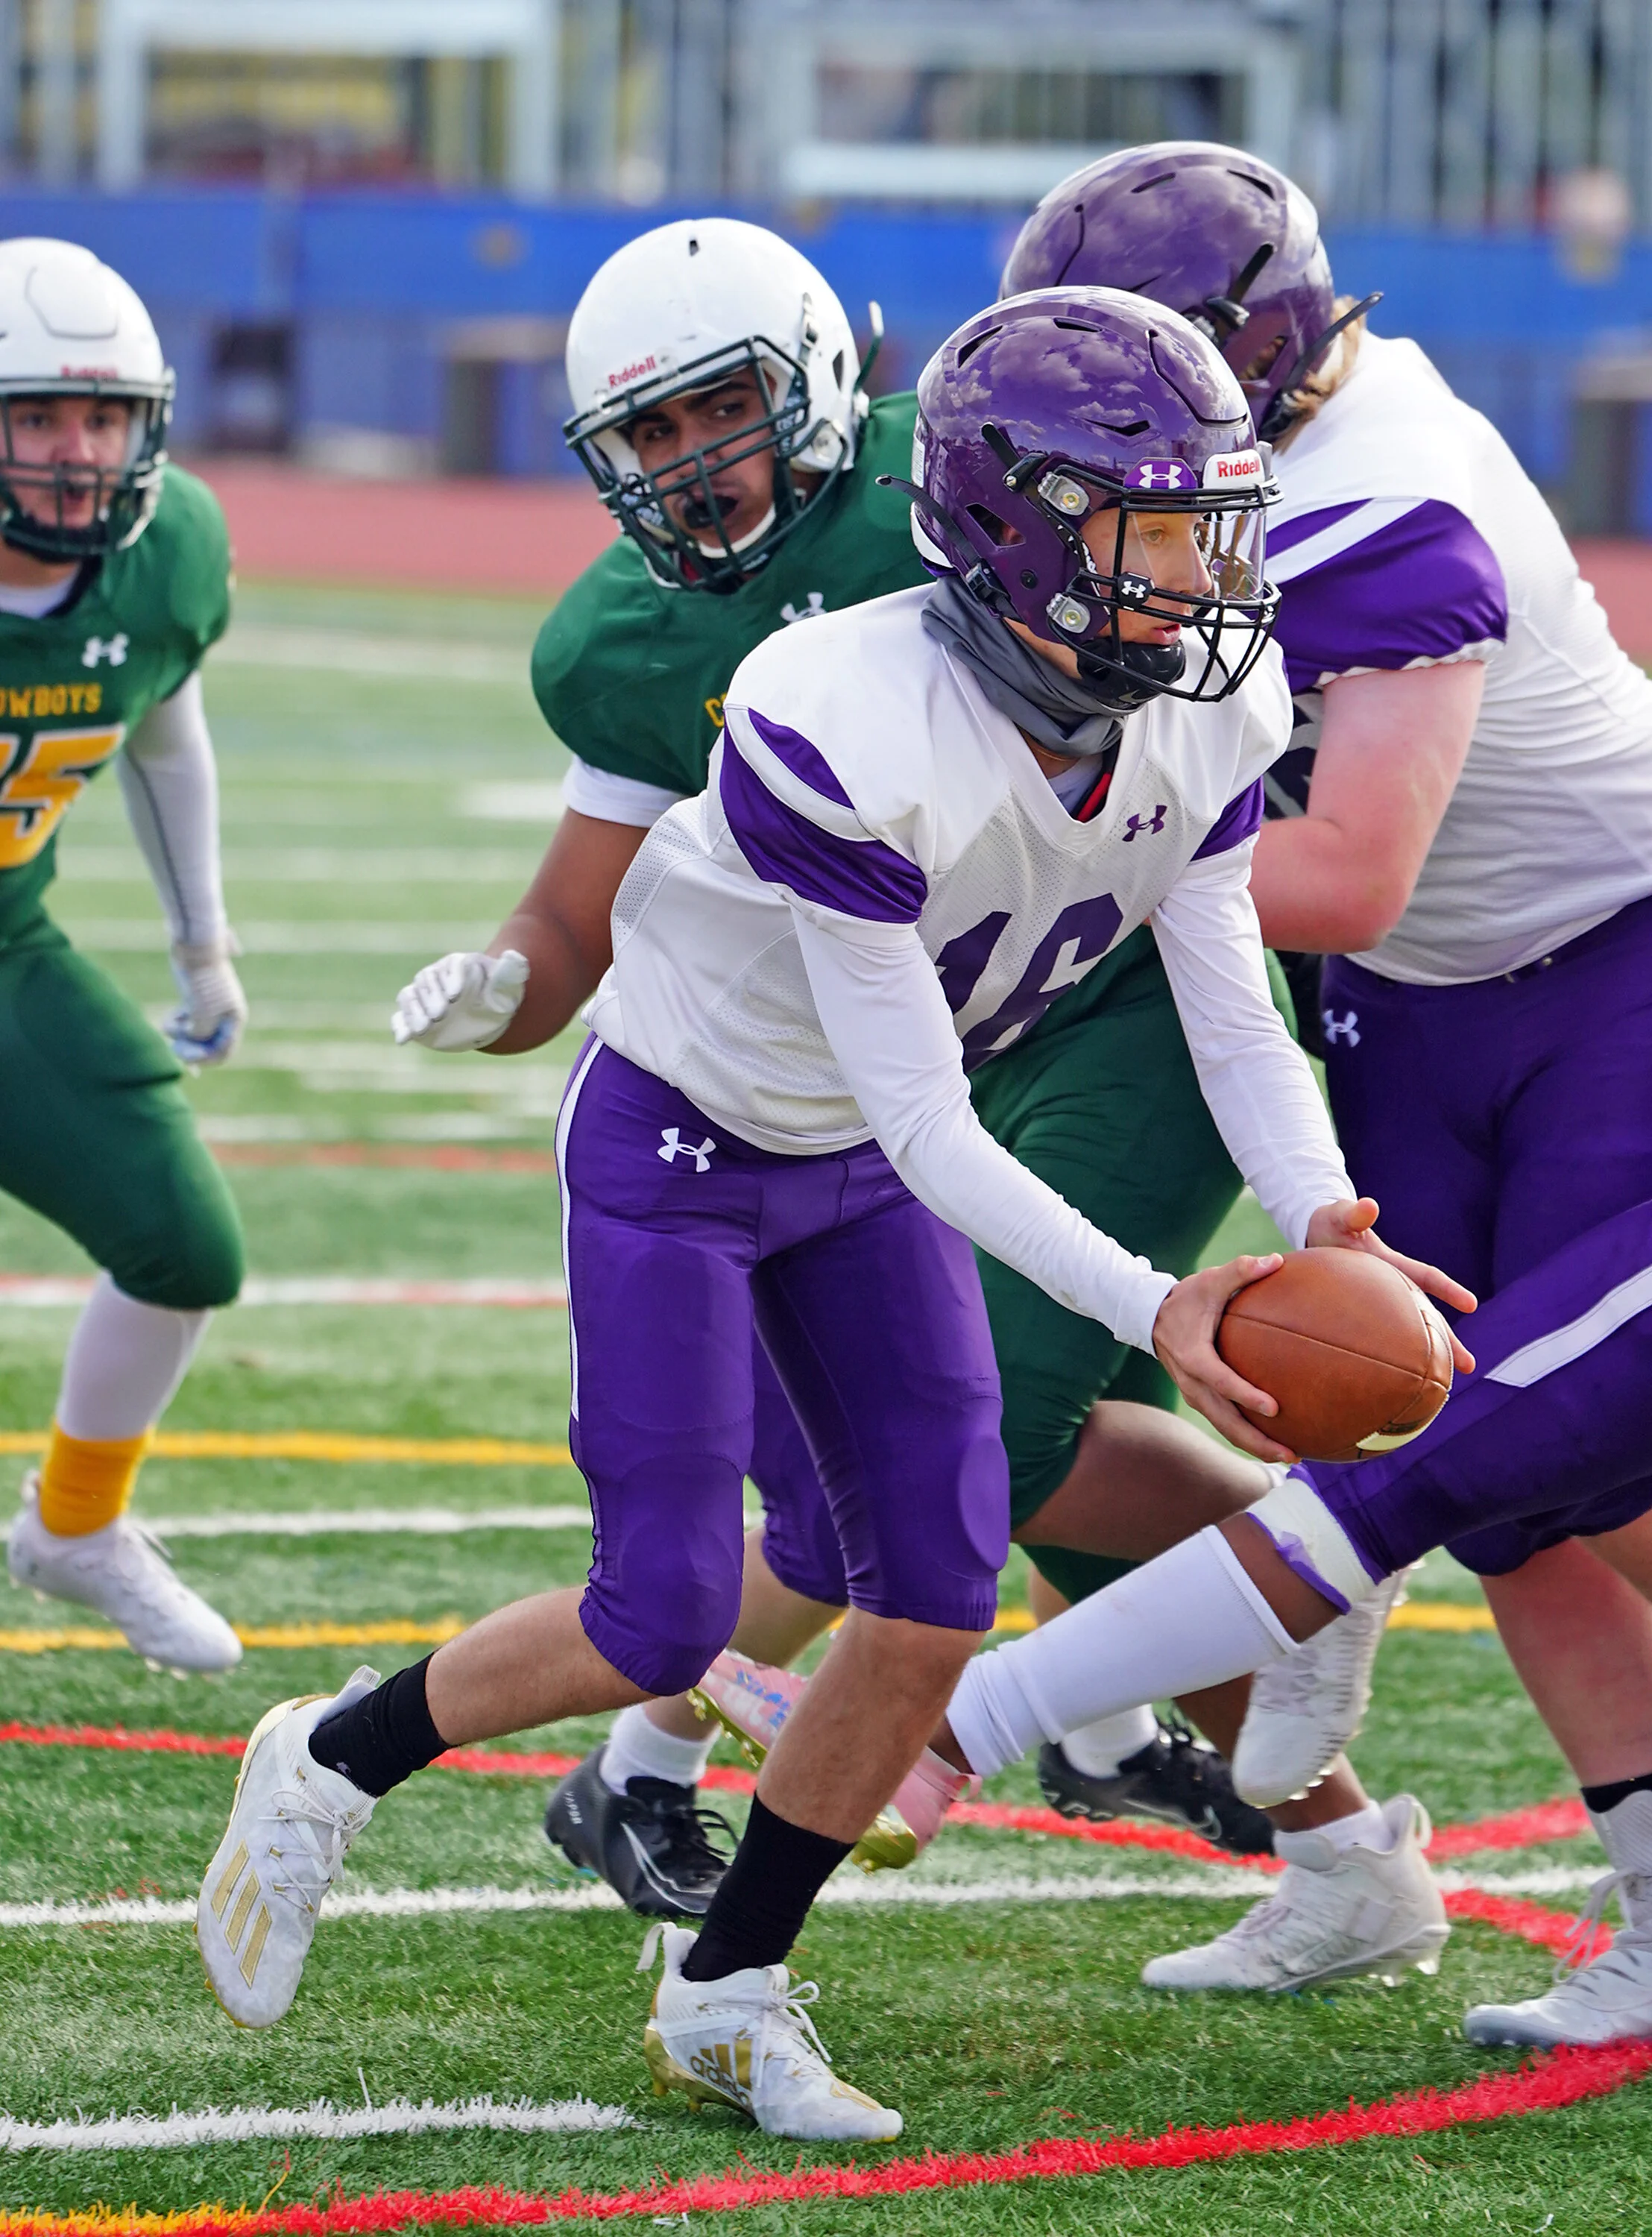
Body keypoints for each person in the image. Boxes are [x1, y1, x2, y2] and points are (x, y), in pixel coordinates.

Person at [196, 288, 1466, 2140]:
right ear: (1026, 530)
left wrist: (1316, 1220)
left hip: (857, 1163)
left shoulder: (1204, 703)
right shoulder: (840, 710)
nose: (1208, 568)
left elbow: (1228, 1005)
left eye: (1216, 518)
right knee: (663, 1610)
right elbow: (931, 1122)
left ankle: (729, 1989)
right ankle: (324, 1758)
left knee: (938, 1596)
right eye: (1161, 523)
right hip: (687, 1143)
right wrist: (1158, 1303)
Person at [395, 218, 1298, 1917]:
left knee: (1017, 1409)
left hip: (1105, 991)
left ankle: (1113, 1737)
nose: (693, 460)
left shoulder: (981, 476)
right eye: (647, 436)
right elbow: (570, 920)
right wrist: (504, 991)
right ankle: (1117, 1746)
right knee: (976, 1425)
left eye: (716, 405)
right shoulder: (625, 640)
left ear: (817, 376)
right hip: (886, 1041)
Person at [977, 137, 1652, 2032]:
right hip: (1416, 1015)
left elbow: (1346, 864)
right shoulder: (1267, 444)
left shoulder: (1391, 496)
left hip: (1609, 972)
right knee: (1505, 1494)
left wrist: (1036, 855)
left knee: (1525, 1454)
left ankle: (1008, 1725)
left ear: (1240, 349)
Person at [0, 237, 246, 1673]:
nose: (76, 452)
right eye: (38, 415)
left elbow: (162, 726)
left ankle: (75, 1528)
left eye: (102, 417)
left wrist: (201, 942)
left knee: (182, 1243)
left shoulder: (168, 556)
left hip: (8, 945)